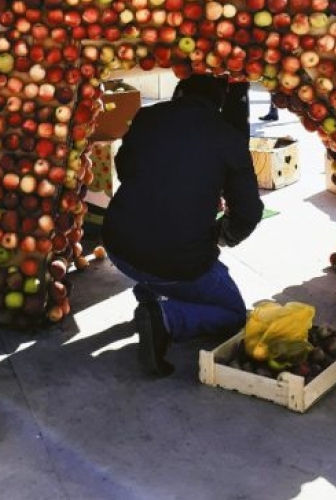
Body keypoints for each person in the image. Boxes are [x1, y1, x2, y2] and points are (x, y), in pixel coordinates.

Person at [102, 74, 265, 377]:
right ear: (218, 104)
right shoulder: (227, 137)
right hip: (176, 262)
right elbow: (248, 212)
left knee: (159, 252)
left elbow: (124, 166)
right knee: (234, 315)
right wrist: (221, 236)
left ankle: (150, 292)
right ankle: (166, 318)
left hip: (119, 247)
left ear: (178, 93)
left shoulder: (148, 116)